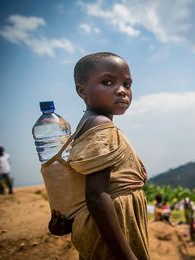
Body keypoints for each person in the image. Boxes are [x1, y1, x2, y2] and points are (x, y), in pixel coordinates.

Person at [48, 52, 149, 260]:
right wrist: (126, 256)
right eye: (107, 82)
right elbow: (96, 197)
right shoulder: (100, 125)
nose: (122, 91)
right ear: (82, 90)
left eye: (127, 84)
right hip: (114, 233)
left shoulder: (90, 123)